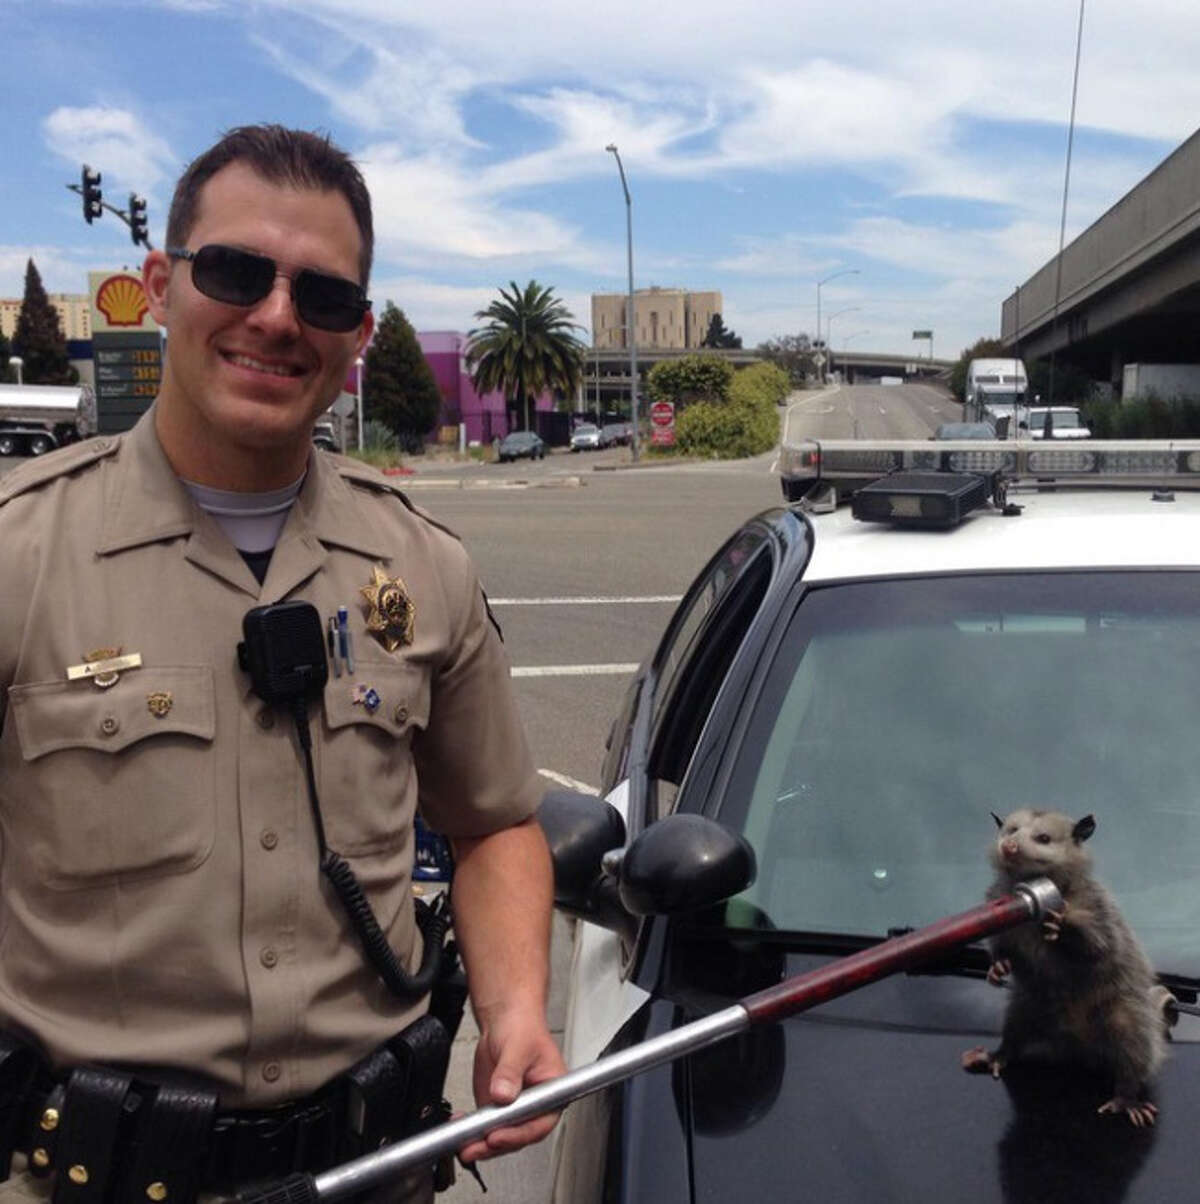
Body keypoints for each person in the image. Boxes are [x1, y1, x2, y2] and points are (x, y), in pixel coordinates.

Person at [0, 125, 564, 1203]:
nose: (275, 317)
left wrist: (518, 1012)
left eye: (323, 296)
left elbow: (493, 821)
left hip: (376, 1173)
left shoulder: (421, 564)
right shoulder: (20, 554)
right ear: (162, 285)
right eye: (235, 271)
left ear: (357, 331)